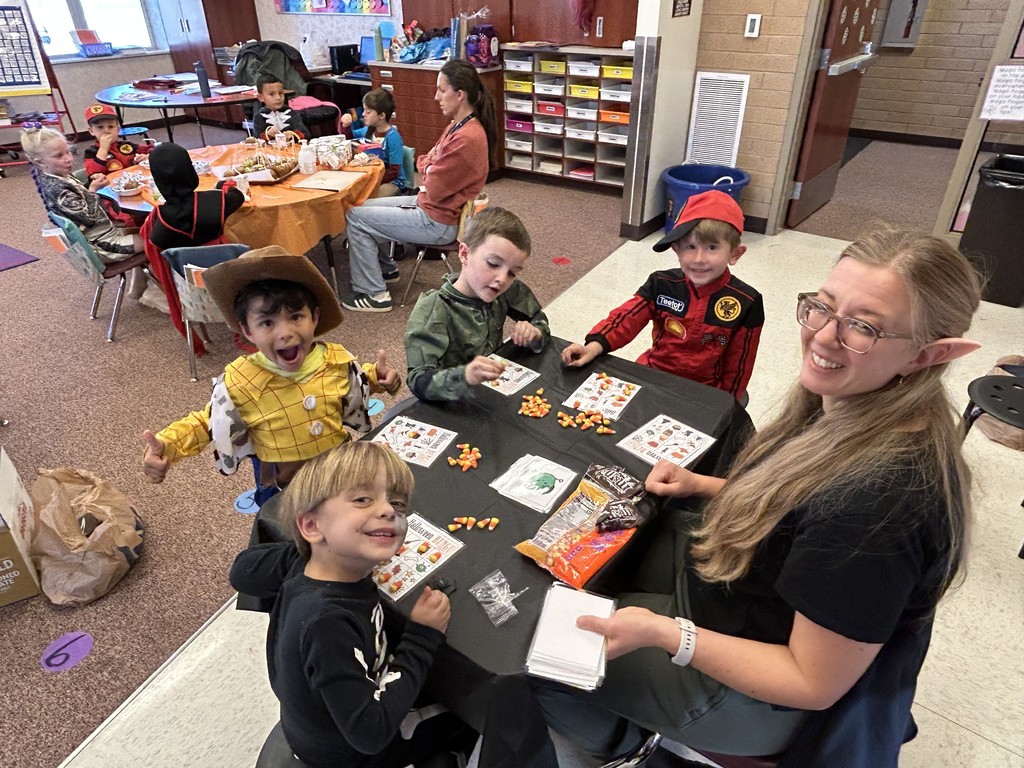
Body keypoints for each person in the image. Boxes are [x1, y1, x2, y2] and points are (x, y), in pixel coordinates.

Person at [535, 228, 982, 767]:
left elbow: (810, 681)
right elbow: (798, 506)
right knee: (603, 551)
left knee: (538, 663)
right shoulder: (853, 402)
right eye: (822, 306)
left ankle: (628, 751)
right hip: (738, 595)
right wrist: (705, 486)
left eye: (863, 327)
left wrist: (665, 633)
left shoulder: (877, 507)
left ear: (929, 354)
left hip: (760, 695)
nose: (822, 337)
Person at [229, 441, 475, 768]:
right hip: (350, 754)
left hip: (319, 723)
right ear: (311, 525)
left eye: (398, 505)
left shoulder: (311, 565)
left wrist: (317, 545)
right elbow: (370, 733)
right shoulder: (325, 622)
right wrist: (422, 637)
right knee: (471, 716)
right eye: (362, 500)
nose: (388, 511)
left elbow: (242, 572)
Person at [141, 246, 402, 495]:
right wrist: (168, 445)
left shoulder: (335, 359)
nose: (285, 333)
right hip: (283, 486)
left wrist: (377, 378)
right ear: (247, 331)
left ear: (315, 317)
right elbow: (209, 422)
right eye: (267, 322)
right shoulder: (241, 381)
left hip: (339, 471)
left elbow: (355, 380)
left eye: (296, 316)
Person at [561, 190, 763, 401]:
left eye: (712, 247)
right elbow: (625, 319)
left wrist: (723, 404)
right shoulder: (661, 283)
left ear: (735, 253)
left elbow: (738, 366)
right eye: (690, 246)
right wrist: (593, 347)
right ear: (676, 249)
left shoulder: (747, 302)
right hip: (652, 374)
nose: (699, 258)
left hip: (703, 391)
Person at [341, 58, 496, 313]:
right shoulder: (458, 126)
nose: (436, 97)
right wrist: (429, 164)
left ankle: (374, 293)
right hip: (432, 206)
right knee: (361, 205)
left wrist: (428, 165)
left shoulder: (467, 137)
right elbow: (426, 158)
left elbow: (432, 182)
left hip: (439, 220)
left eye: (441, 90)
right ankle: (386, 270)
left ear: (459, 94)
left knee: (355, 217)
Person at [404, 207, 549, 401]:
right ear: (464, 254)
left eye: (512, 272)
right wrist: (465, 376)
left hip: (491, 393)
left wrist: (535, 332)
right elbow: (418, 380)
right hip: (449, 403)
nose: (502, 279)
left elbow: (538, 318)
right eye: (493, 264)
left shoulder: (508, 290)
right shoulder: (434, 308)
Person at [20, 125, 143, 263]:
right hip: (105, 246)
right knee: (161, 239)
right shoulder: (56, 189)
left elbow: (79, 201)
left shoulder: (59, 176)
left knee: (151, 231)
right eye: (59, 156)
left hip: (105, 235)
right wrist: (93, 190)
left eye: (68, 152)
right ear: (40, 162)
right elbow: (88, 219)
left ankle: (138, 282)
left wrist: (90, 186)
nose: (68, 159)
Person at [342, 88, 408, 197]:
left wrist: (372, 180)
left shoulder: (393, 137)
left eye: (368, 111)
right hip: (372, 176)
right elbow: (350, 138)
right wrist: (346, 126)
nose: (363, 114)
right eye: (364, 110)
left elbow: (394, 171)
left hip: (391, 182)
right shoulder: (369, 130)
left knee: (369, 197)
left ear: (382, 116)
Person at [81, 103, 152, 176]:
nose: (106, 131)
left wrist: (147, 156)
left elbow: (153, 150)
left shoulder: (126, 146)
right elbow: (93, 172)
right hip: (109, 186)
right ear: (91, 131)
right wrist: (103, 149)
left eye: (111, 127)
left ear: (118, 130)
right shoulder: (91, 152)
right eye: (100, 127)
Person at [253, 73, 309, 144]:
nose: (278, 98)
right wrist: (268, 135)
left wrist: (293, 134)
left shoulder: (292, 113)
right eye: (271, 94)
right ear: (261, 97)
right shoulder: (259, 117)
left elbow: (306, 134)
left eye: (280, 93)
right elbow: (256, 141)